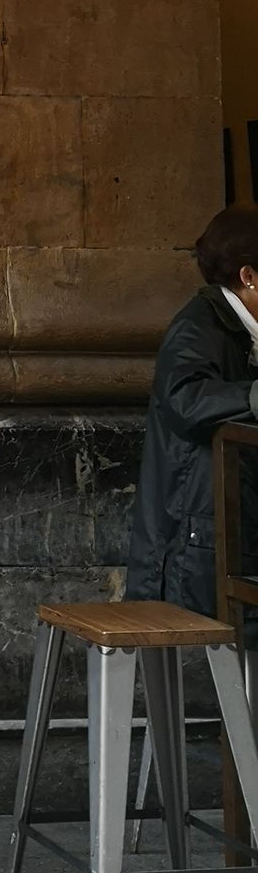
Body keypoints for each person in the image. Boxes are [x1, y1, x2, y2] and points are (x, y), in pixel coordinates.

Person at [125, 204, 258, 611]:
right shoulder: (198, 326)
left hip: (229, 539)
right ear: (249, 277)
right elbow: (187, 400)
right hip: (193, 548)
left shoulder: (243, 331)